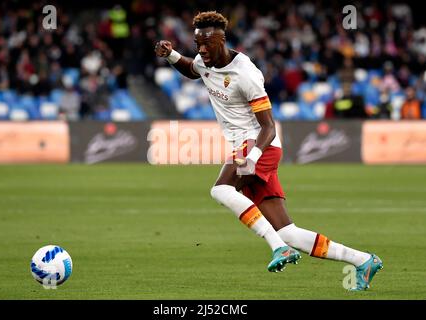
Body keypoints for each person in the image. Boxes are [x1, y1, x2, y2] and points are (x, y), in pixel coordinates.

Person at [155, 11, 383, 290]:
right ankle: (363, 260)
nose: (202, 50)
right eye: (197, 44)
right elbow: (193, 70)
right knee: (290, 233)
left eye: (207, 44)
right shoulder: (205, 60)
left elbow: (269, 128)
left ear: (222, 40)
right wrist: (171, 55)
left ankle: (277, 248)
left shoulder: (246, 74)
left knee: (220, 190)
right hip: (247, 146)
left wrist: (252, 158)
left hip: (257, 144)